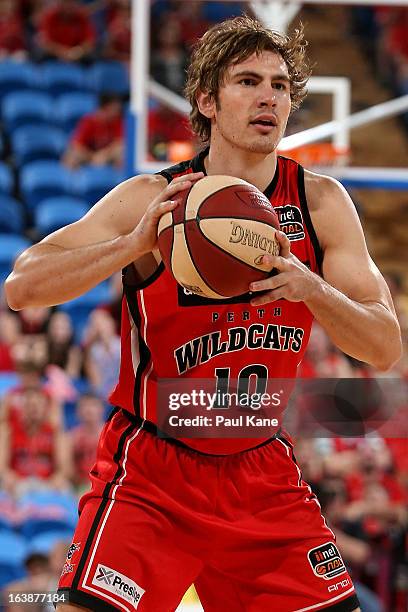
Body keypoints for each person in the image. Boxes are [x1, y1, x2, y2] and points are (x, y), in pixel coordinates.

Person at [4, 15, 402, 612]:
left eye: (280, 84)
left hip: (260, 469)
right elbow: (21, 286)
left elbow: (384, 346)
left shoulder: (319, 204)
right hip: (153, 472)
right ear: (206, 100)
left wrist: (310, 287)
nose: (269, 95)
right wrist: (132, 246)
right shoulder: (151, 198)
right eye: (248, 81)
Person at [62, 92, 124, 169]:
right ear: (106, 108)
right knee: (72, 154)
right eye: (115, 109)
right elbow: (76, 145)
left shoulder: (117, 121)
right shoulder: (89, 121)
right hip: (89, 156)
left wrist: (104, 154)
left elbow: (120, 142)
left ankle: (120, 179)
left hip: (107, 156)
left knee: (121, 151)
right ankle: (74, 180)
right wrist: (93, 157)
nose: (118, 111)